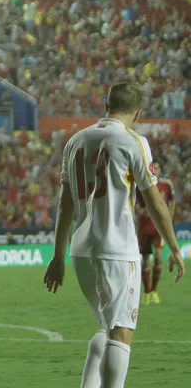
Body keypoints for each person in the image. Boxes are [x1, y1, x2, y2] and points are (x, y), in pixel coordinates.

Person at [43, 82, 184, 388]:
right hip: (117, 251)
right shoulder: (133, 141)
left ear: (106, 104)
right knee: (121, 333)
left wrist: (57, 256)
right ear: (138, 112)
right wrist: (174, 246)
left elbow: (64, 204)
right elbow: (155, 202)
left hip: (81, 252)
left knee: (107, 330)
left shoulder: (75, 141)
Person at [135, 161, 175, 305]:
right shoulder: (141, 185)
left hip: (159, 229)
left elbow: (172, 200)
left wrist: (169, 217)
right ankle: (146, 292)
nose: (154, 170)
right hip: (144, 228)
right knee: (145, 260)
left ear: (160, 170)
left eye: (157, 168)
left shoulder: (167, 185)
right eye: (153, 168)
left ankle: (154, 291)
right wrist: (144, 210)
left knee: (158, 258)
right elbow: (137, 206)